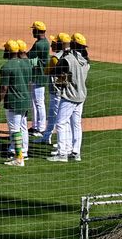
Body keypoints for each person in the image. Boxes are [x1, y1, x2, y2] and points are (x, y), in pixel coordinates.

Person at [47, 33, 89, 163]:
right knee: (76, 124)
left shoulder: (68, 59)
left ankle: (62, 153)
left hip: (70, 96)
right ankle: (76, 152)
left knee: (61, 123)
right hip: (81, 96)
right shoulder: (86, 60)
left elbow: (54, 71)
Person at [0, 39, 31, 166]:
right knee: (23, 127)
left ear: (9, 51)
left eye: (5, 49)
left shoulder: (7, 67)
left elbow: (3, 88)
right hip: (25, 100)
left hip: (14, 101)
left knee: (15, 129)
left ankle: (19, 158)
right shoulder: (27, 64)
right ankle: (24, 151)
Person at [28, 21, 50, 138]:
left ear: (37, 30)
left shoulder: (40, 44)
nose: (32, 31)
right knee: (35, 102)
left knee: (39, 102)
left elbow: (29, 56)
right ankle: (35, 126)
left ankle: (41, 128)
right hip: (37, 74)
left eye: (33, 29)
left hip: (39, 75)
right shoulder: (43, 42)